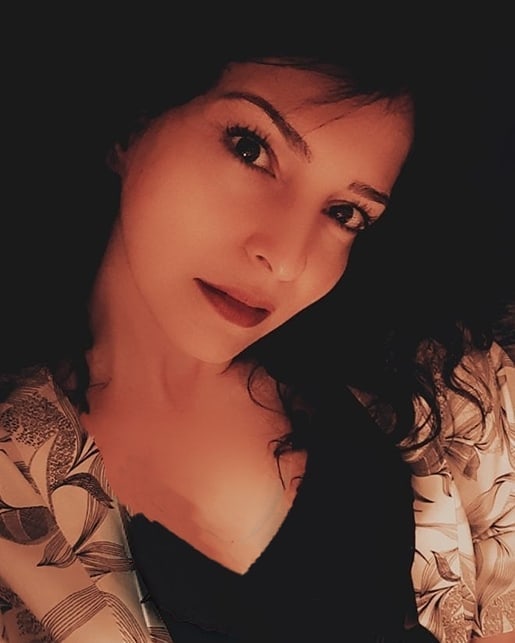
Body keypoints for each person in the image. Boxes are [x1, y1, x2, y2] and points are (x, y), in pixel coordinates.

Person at [0, 16, 514, 643]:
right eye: (250, 150)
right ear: (132, 127)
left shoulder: (447, 384)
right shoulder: (14, 480)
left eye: (345, 213)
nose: (288, 258)